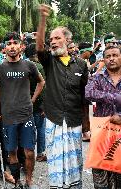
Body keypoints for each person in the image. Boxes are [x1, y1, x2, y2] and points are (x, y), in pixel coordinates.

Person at [36, 4, 88, 188]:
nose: (53, 41)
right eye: (51, 39)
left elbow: (84, 96)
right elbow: (40, 47)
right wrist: (43, 20)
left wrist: (86, 125)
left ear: (67, 40)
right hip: (54, 118)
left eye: (57, 38)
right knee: (56, 162)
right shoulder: (49, 61)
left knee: (74, 160)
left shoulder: (81, 65)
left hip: (74, 120)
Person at [0, 32, 45, 189]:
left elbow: (41, 82)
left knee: (30, 152)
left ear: (21, 46)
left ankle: (29, 181)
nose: (12, 46)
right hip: (8, 117)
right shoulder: (1, 66)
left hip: (26, 115)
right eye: (9, 44)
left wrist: (32, 100)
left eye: (15, 43)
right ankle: (17, 181)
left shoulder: (29, 65)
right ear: (5, 48)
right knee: (12, 152)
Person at [85, 45, 121, 189]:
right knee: (100, 176)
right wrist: (114, 97)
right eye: (108, 56)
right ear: (104, 60)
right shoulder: (98, 77)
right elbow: (88, 93)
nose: (111, 59)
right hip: (102, 133)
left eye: (115, 55)